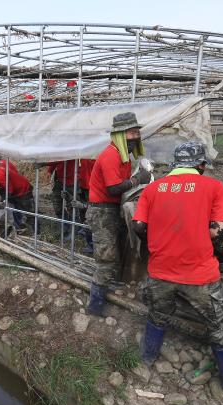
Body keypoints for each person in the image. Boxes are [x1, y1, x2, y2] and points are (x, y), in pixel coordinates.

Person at [131, 141, 223, 393]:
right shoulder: (214, 188)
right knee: (217, 324)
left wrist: (153, 247)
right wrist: (221, 260)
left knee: (157, 316)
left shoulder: (153, 189)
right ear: (201, 165)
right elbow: (218, 232)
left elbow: (138, 226)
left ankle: (147, 358)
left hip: (160, 272)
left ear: (175, 164)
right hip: (200, 275)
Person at [85, 112, 150, 317]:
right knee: (106, 258)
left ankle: (109, 288)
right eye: (132, 133)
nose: (136, 137)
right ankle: (94, 306)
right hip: (101, 210)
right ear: (121, 135)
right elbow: (113, 188)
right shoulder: (111, 155)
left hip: (111, 209)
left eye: (137, 133)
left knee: (116, 249)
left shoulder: (124, 156)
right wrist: (138, 179)